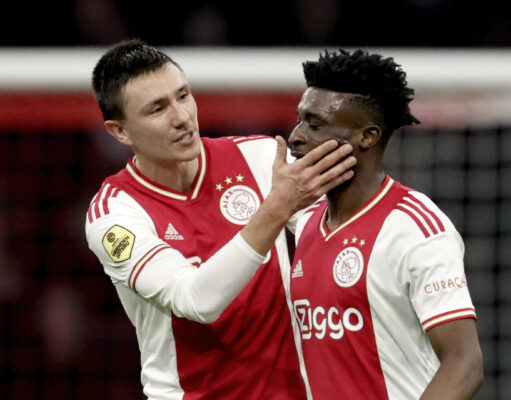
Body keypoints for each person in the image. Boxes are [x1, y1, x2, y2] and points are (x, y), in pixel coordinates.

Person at [84, 39, 356, 399]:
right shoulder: (114, 216)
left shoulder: (259, 157)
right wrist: (276, 209)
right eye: (157, 109)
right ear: (120, 131)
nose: (181, 117)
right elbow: (195, 301)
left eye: (183, 96)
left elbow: (338, 235)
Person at [287, 49, 483, 399]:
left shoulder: (414, 228)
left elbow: (464, 364)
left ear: (367, 136)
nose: (296, 137)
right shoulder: (306, 219)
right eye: (299, 120)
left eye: (315, 125)